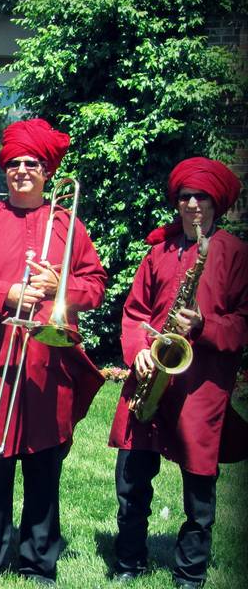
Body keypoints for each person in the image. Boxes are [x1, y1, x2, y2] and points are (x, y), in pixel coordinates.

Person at [0, 118, 107, 585]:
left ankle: (37, 561)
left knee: (45, 463)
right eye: (14, 164)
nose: (22, 170)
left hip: (51, 365)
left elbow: (96, 285)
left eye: (32, 163)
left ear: (48, 171)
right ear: (5, 170)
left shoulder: (69, 226)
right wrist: (6, 294)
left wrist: (60, 286)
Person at [108, 157, 247, 588]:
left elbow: (243, 322)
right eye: (185, 196)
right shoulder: (158, 253)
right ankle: (128, 562)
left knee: (199, 495)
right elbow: (133, 314)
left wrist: (204, 326)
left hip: (200, 386)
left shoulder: (237, 254)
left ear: (215, 205)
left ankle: (190, 573)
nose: (191, 204)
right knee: (131, 482)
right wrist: (137, 353)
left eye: (200, 197)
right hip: (150, 380)